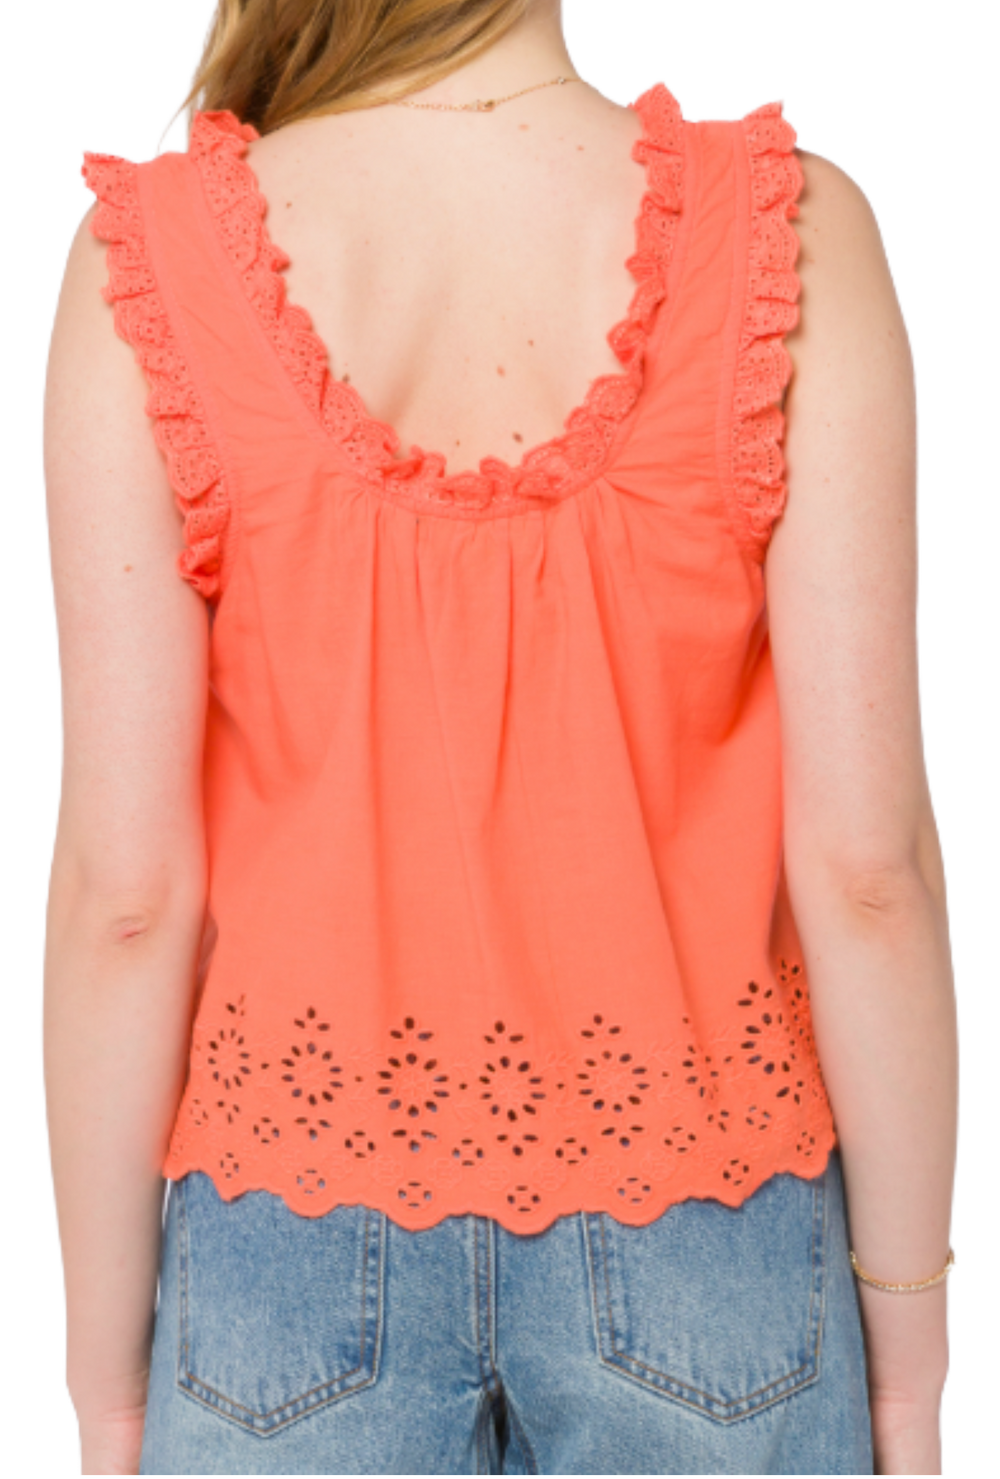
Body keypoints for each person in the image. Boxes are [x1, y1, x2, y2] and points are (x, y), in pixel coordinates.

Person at [40, 1, 959, 1476]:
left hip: (287, 1247)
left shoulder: (148, 262)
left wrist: (108, 1386)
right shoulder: (788, 230)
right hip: (710, 1225)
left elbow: (126, 898)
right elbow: (869, 873)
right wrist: (908, 1370)